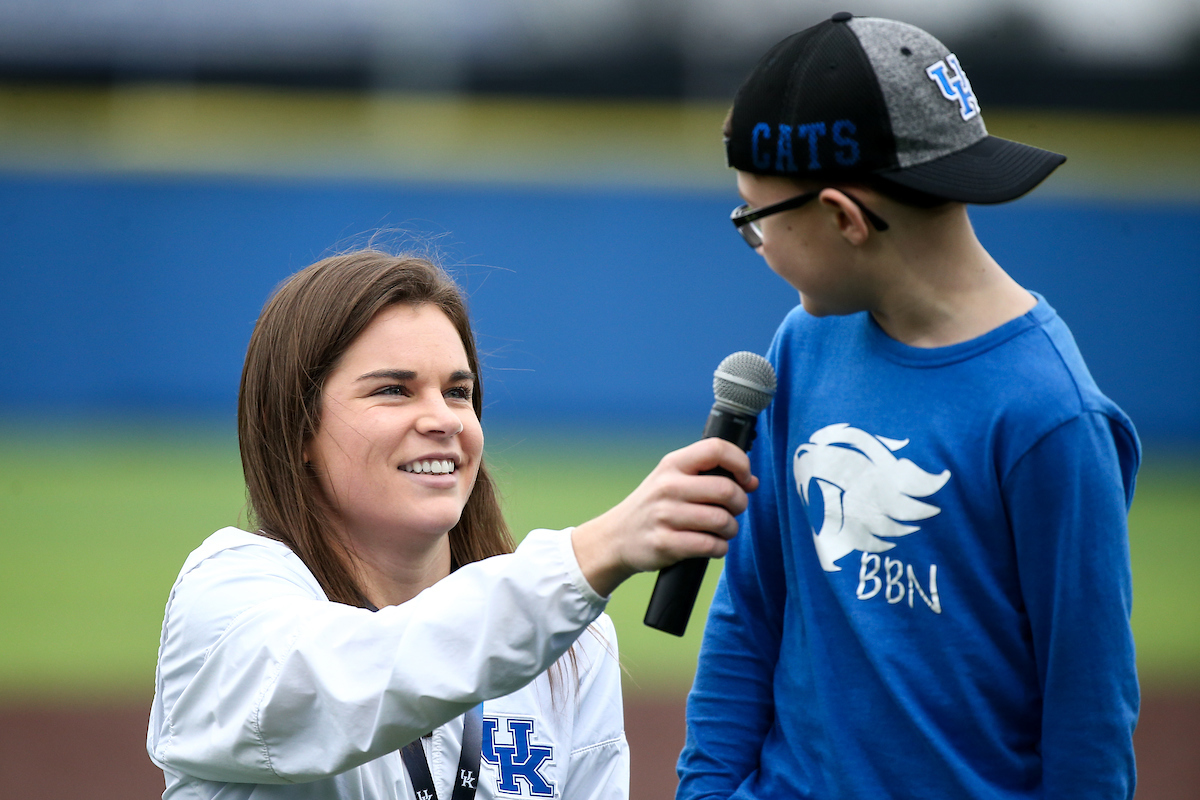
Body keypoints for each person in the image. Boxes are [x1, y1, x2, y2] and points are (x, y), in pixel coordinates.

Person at [677, 13, 1139, 800]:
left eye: (753, 222)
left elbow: (1088, 716)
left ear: (843, 219)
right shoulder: (803, 346)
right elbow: (750, 611)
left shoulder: (1051, 417)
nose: (755, 247)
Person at [147, 249, 757, 800]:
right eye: (393, 390)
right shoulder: (226, 598)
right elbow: (356, 678)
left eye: (458, 391)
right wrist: (592, 554)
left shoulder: (572, 646)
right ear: (298, 428)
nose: (444, 419)